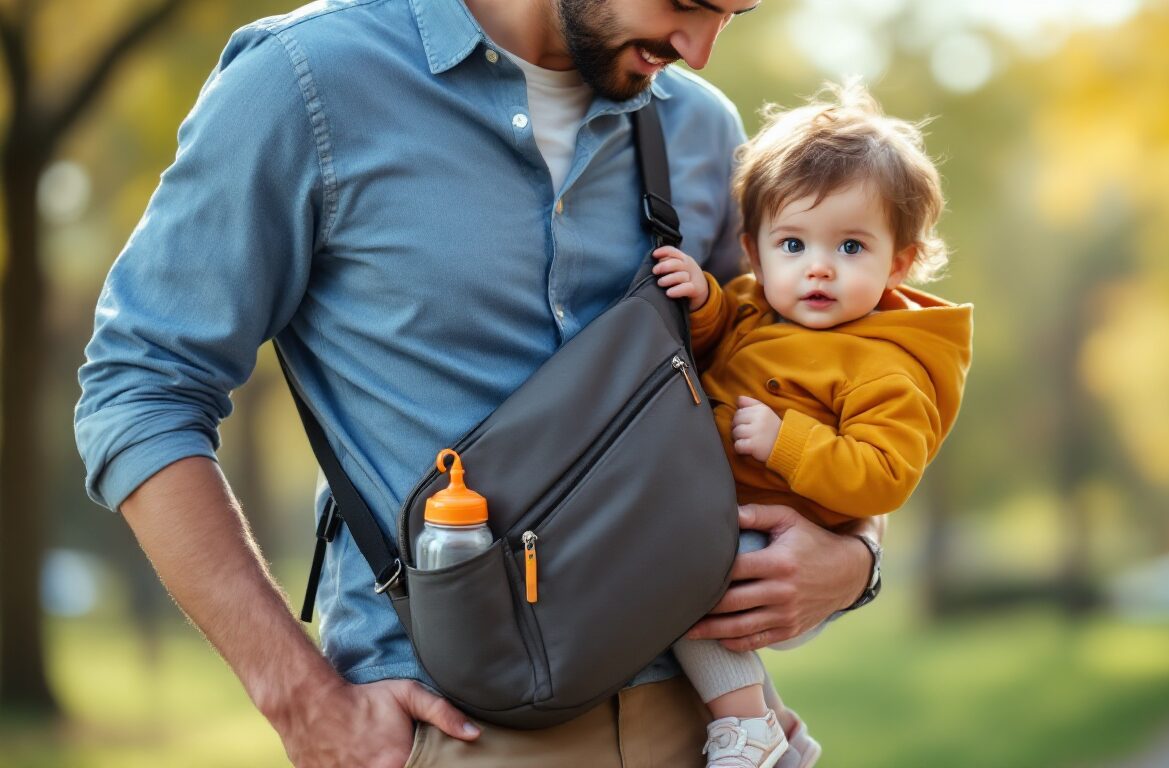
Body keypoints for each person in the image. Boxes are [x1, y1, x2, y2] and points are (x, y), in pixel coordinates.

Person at [74, 0, 886, 766]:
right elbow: (139, 388)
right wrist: (298, 697)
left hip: (711, 723)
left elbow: (800, 368)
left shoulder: (700, 127)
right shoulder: (306, 81)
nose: (698, 50)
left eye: (732, 15)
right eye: (686, 2)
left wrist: (856, 556)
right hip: (456, 729)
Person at [652, 82, 973, 768]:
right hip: (722, 512)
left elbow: (884, 477)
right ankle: (786, 739)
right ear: (754, 250)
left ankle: (749, 729)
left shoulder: (885, 367)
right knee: (668, 565)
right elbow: (722, 330)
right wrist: (702, 300)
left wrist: (786, 442)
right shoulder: (759, 305)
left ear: (899, 262)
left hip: (781, 545)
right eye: (793, 244)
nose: (818, 268)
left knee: (676, 577)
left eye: (851, 247)